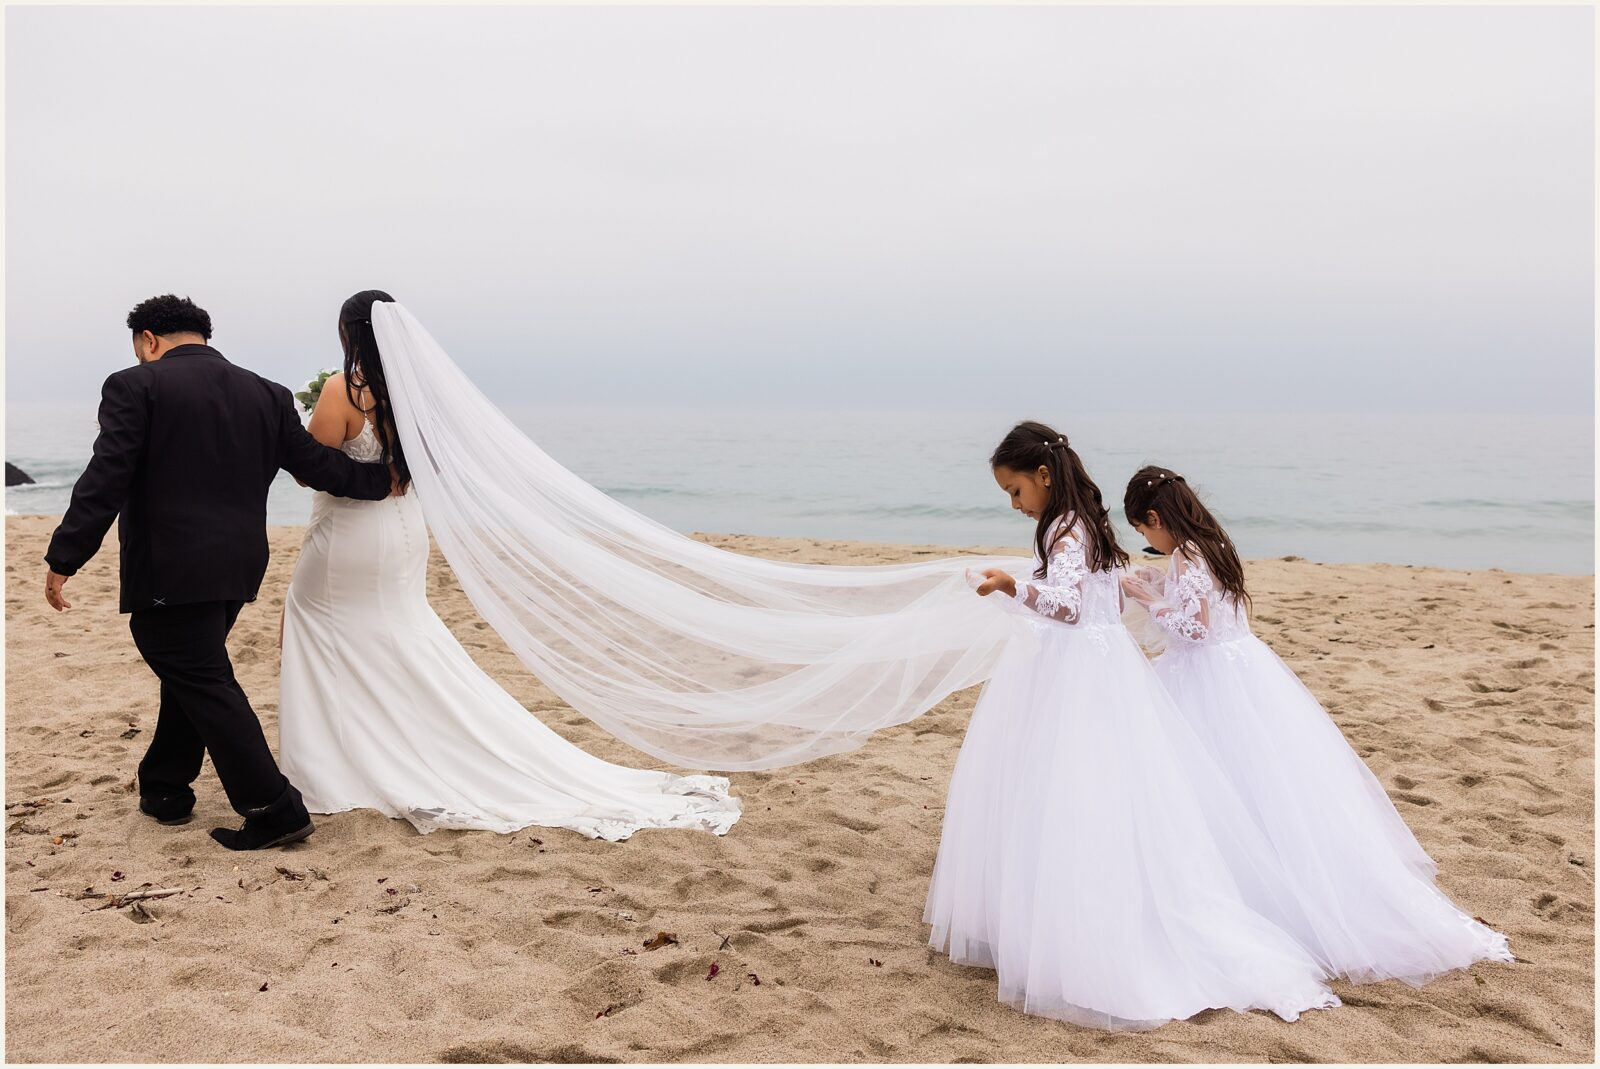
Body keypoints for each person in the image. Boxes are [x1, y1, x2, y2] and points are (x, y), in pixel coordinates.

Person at [276, 290, 741, 839]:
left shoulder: (343, 390)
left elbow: (311, 469)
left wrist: (305, 422)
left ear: (350, 333)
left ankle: (340, 759)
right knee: (398, 634)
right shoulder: (415, 395)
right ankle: (395, 742)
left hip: (350, 537)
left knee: (316, 619)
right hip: (403, 532)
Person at [922, 422, 1339, 1030]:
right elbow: (1103, 602)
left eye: (1016, 492)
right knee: (1097, 789)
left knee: (1074, 788)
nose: (1015, 506)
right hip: (1098, 665)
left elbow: (1067, 609)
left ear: (1042, 476)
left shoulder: (1066, 526)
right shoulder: (1082, 524)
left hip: (1079, 672)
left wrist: (1015, 587)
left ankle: (1084, 925)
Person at [1121, 465, 1512, 985]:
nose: (1146, 541)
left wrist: (1151, 597)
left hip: (1208, 680)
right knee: (1261, 787)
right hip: (1241, 672)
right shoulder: (1210, 546)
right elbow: (1204, 604)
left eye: (1144, 531)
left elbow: (1195, 627)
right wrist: (1159, 581)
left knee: (1214, 783)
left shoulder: (1189, 555)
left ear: (1154, 517)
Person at [43, 294, 394, 850]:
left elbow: (106, 476)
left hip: (170, 567)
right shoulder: (266, 392)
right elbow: (319, 466)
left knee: (200, 675)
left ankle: (273, 808)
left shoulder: (134, 386)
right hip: (239, 564)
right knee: (193, 668)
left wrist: (65, 556)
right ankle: (166, 789)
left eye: (140, 348)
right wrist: (385, 480)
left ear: (149, 340)